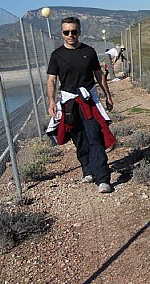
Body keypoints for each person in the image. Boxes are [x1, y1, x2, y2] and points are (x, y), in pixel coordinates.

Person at [47, 17, 115, 193]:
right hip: (69, 103)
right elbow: (52, 80)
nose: (71, 35)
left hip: (89, 101)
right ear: (61, 33)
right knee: (78, 138)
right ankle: (87, 169)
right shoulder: (57, 55)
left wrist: (107, 95)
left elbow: (99, 75)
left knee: (95, 136)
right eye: (66, 32)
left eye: (74, 31)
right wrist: (52, 101)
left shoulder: (89, 52)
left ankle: (103, 178)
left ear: (79, 32)